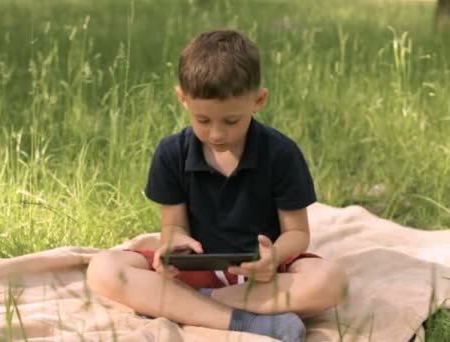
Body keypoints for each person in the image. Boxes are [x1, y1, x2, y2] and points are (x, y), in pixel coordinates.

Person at [86, 29, 348, 342]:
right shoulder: (172, 153)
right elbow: (173, 227)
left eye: (231, 121)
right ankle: (248, 322)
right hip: (196, 271)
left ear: (259, 100)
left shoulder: (281, 153)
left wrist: (274, 257)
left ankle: (186, 306)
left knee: (332, 281)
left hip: (260, 278)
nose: (216, 134)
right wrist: (173, 245)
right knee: (102, 268)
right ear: (182, 99)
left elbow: (297, 234)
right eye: (203, 121)